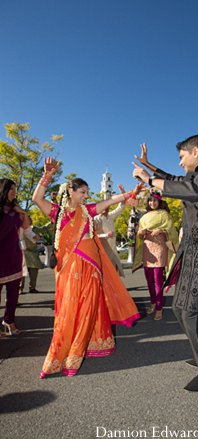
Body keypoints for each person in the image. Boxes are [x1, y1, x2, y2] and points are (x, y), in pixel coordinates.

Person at [132, 136, 198, 391]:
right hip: (191, 250)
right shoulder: (195, 176)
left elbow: (197, 191)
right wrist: (150, 167)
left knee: (191, 313)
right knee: (180, 308)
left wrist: (150, 180)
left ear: (195, 151)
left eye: (181, 157)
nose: (179, 163)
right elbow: (179, 182)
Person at [32, 158, 140, 377]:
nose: (85, 196)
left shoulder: (87, 211)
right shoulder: (56, 212)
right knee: (69, 308)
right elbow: (36, 198)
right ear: (70, 191)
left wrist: (127, 195)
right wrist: (47, 176)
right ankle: (61, 352)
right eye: (81, 192)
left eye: (86, 192)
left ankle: (76, 353)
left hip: (91, 266)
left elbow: (108, 203)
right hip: (68, 268)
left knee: (89, 306)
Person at [132, 189, 178, 321]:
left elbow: (171, 231)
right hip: (148, 248)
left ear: (159, 201)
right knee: (149, 279)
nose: (152, 203)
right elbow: (139, 233)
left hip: (160, 247)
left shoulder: (165, 215)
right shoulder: (144, 216)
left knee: (158, 279)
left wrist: (162, 230)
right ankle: (153, 303)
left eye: (155, 200)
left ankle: (159, 308)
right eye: (150, 200)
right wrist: (140, 232)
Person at [0, 178, 30, 336]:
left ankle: (9, 320)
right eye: (11, 188)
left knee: (13, 293)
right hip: (0, 255)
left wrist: (22, 212)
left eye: (15, 189)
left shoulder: (15, 209)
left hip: (14, 255)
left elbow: (26, 226)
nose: (14, 191)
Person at [94, 191, 126, 277]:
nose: (105, 208)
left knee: (114, 273)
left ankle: (113, 289)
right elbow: (93, 235)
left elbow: (121, 208)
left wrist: (123, 194)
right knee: (104, 274)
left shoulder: (110, 216)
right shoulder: (96, 219)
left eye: (107, 206)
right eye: (103, 206)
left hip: (113, 250)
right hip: (103, 250)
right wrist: (105, 235)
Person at [20, 217, 44, 293]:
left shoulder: (33, 229)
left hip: (33, 254)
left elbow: (39, 233)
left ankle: (32, 287)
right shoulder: (19, 229)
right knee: (21, 272)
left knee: (34, 272)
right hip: (23, 253)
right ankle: (19, 288)